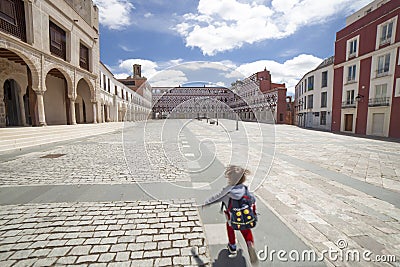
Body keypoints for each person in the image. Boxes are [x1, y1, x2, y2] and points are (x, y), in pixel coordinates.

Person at [203, 165, 258, 264]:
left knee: (230, 228)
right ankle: (250, 244)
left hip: (232, 217)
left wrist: (206, 202)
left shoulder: (228, 191)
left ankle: (232, 246)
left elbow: (216, 197)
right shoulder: (245, 189)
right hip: (245, 217)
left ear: (230, 178)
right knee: (246, 231)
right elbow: (253, 200)